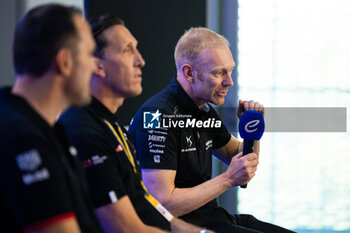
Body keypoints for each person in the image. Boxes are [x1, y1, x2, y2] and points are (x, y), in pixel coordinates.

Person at [129, 27, 295, 233]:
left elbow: (243, 162)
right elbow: (162, 205)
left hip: (213, 217)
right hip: (184, 226)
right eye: (218, 72)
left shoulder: (203, 109)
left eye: (230, 70)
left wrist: (251, 131)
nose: (229, 82)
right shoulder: (157, 117)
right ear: (189, 73)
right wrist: (227, 179)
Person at [59, 15, 213, 233]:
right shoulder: (84, 132)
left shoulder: (115, 128)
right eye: (127, 50)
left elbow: (148, 206)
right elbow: (126, 229)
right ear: (98, 66)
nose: (141, 60)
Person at [0, 4, 104, 233]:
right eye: (89, 54)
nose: (95, 66)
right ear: (65, 62)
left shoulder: (48, 129)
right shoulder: (22, 137)